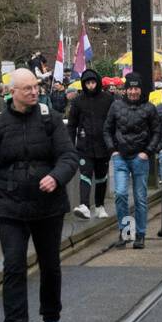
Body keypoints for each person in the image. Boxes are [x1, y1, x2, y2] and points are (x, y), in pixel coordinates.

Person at [0, 68, 80, 322]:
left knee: (50, 265)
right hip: (10, 205)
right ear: (13, 93)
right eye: (27, 89)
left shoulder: (51, 120)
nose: (34, 92)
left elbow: (69, 156)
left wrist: (56, 176)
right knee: (13, 265)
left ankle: (51, 319)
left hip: (48, 207)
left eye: (36, 87)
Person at [104, 72, 161, 248]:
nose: (133, 91)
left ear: (140, 89)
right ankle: (126, 232)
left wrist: (148, 152)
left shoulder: (150, 108)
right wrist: (112, 150)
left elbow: (157, 132)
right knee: (121, 194)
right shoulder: (116, 106)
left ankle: (140, 234)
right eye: (130, 88)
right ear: (126, 89)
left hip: (140, 157)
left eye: (136, 88)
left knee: (140, 198)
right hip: (120, 156)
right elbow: (107, 129)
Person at [68, 68, 115, 219]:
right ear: (83, 84)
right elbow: (71, 124)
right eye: (87, 83)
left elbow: (113, 121)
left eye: (93, 82)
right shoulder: (77, 101)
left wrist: (113, 143)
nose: (91, 86)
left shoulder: (108, 99)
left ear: (98, 82)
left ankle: (100, 206)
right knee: (85, 175)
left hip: (103, 145)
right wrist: (70, 144)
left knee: (101, 177)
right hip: (84, 145)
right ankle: (84, 205)